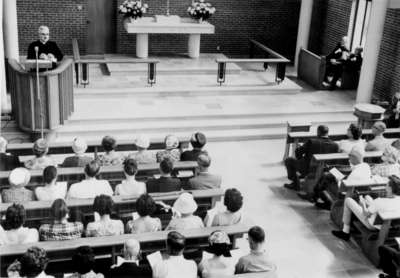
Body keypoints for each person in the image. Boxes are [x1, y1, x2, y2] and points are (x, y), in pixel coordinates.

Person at [332, 175, 400, 241]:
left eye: (387, 185)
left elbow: (366, 214)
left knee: (348, 200)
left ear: (390, 188)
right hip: (389, 225)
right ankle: (352, 221)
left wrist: (363, 203)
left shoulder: (380, 201)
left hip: (372, 225)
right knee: (367, 197)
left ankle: (345, 232)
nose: (386, 186)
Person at [284, 125, 339, 190]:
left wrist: (300, 157)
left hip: (308, 169)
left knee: (288, 160)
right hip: (325, 171)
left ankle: (295, 183)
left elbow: (298, 153)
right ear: (327, 133)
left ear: (318, 132)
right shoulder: (335, 145)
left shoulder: (312, 142)